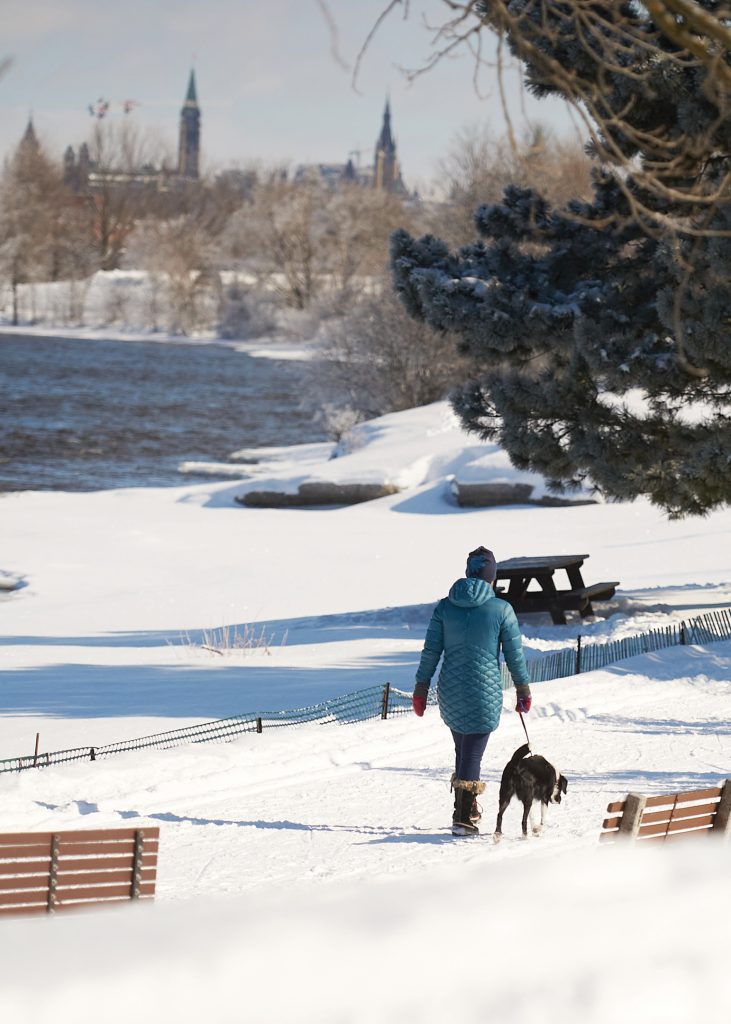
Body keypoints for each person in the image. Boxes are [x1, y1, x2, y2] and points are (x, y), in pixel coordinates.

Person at [412, 546, 532, 836]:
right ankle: (463, 817)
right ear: (492, 577)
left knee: (464, 750)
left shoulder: (445, 607)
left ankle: (469, 807)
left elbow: (431, 651)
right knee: (471, 755)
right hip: (484, 691)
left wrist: (421, 687)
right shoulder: (501, 609)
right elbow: (515, 655)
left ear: (468, 572)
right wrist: (523, 689)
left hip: (450, 690)